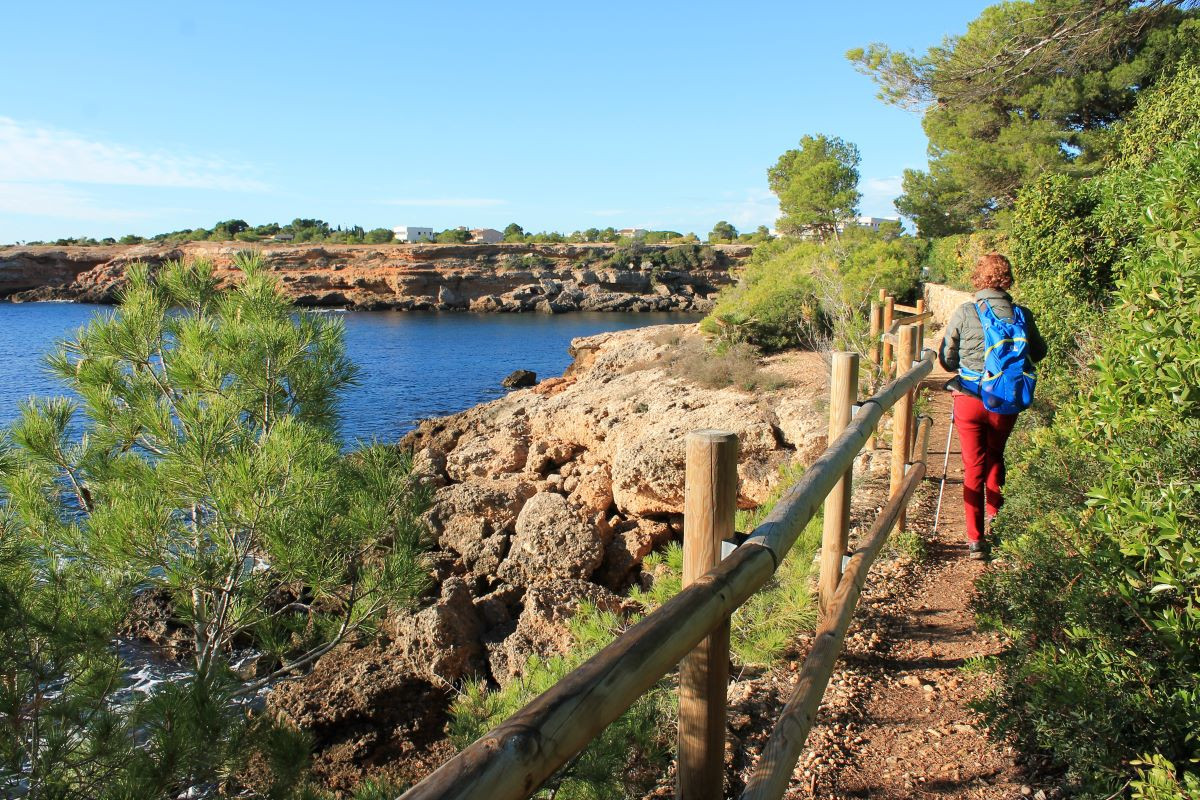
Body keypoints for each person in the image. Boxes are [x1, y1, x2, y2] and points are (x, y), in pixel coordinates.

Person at [938, 253, 1047, 559]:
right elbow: (1038, 352)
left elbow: (947, 359)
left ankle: (975, 540)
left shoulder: (966, 311)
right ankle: (998, 523)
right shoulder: (1021, 314)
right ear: (1007, 279)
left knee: (973, 466)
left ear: (978, 278)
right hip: (1005, 400)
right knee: (996, 457)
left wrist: (965, 364)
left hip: (970, 400)